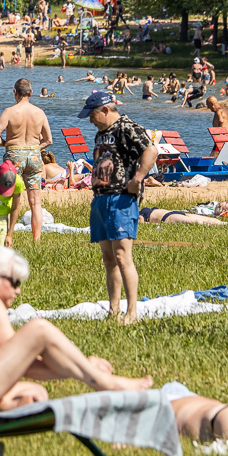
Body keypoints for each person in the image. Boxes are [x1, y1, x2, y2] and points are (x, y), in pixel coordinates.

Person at [0, 236, 152, 421]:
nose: (18, 291)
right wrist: (87, 369)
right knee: (39, 330)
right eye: (14, 283)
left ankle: (90, 381)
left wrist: (79, 368)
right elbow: (25, 362)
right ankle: (108, 385)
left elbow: (20, 366)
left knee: (36, 394)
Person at [80, 91, 156, 325]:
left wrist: (138, 178)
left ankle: (131, 311)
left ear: (105, 110)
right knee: (108, 258)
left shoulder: (126, 127)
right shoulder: (101, 133)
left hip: (121, 198)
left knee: (123, 256)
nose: (90, 120)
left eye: (92, 115)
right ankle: (113, 309)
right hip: (101, 198)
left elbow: (151, 150)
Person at [0, 79, 53, 242]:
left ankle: (6, 237)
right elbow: (48, 140)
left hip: (14, 154)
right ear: (31, 93)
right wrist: (35, 148)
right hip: (33, 155)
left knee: (7, 197)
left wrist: (7, 144)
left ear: (15, 92)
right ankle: (36, 240)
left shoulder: (9, 112)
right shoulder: (40, 112)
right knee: (35, 202)